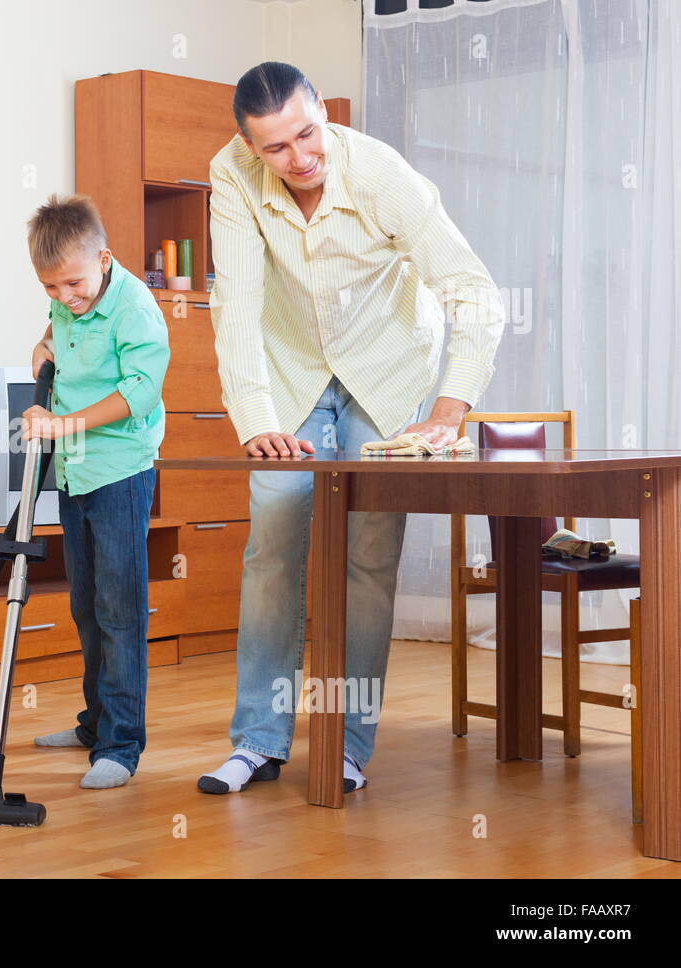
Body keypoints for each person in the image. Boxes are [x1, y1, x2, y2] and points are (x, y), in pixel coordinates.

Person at [198, 62, 504, 795]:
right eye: (275, 148)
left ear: (322, 115)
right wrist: (256, 422)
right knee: (273, 539)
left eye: (307, 134)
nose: (299, 159)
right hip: (293, 368)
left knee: (367, 554)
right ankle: (259, 741)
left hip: (388, 365)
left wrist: (449, 406)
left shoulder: (379, 175)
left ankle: (347, 743)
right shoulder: (232, 175)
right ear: (249, 147)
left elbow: (474, 292)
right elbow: (235, 306)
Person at [20, 194, 170, 789]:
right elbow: (59, 331)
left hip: (120, 472)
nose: (64, 297)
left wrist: (62, 424)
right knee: (85, 605)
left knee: (119, 610)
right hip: (74, 473)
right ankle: (96, 723)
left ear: (104, 259)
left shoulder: (136, 308)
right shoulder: (67, 299)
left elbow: (140, 393)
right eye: (50, 289)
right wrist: (43, 344)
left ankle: (122, 745)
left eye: (73, 284)